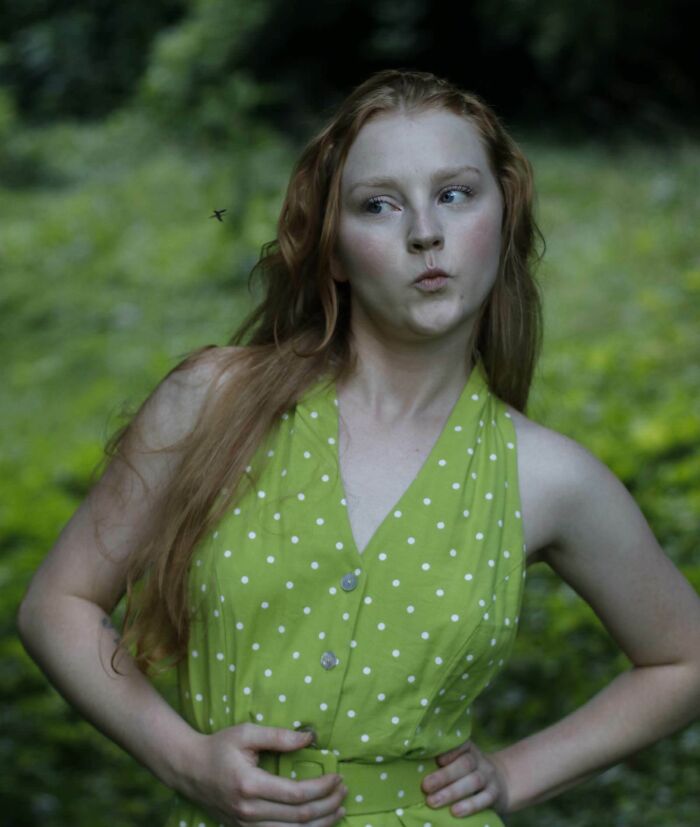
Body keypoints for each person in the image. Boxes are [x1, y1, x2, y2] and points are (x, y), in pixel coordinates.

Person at [16, 68, 700, 827]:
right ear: (334, 251)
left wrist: (516, 771)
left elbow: (685, 659)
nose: (424, 233)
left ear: (502, 218)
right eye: (379, 205)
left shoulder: (546, 476)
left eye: (454, 194)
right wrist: (184, 759)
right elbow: (58, 604)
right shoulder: (214, 401)